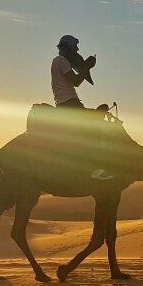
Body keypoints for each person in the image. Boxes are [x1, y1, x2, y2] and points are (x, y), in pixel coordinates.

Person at [49, 34, 113, 180]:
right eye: (75, 47)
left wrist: (85, 67)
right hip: (69, 104)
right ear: (68, 48)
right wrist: (86, 66)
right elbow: (76, 81)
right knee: (93, 129)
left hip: (70, 103)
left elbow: (76, 81)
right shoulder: (61, 60)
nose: (77, 50)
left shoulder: (61, 61)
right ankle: (95, 168)